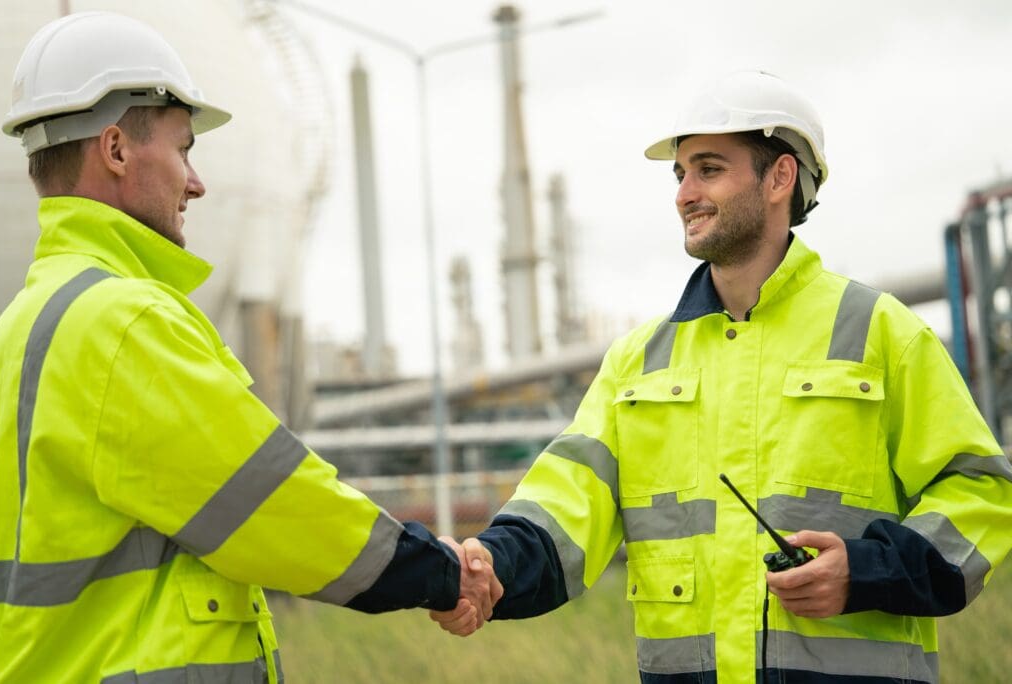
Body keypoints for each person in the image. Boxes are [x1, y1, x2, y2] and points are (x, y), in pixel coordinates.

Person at [430, 70, 1012, 683]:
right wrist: (489, 566)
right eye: (680, 174)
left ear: (779, 178)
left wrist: (867, 571)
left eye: (708, 169)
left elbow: (982, 492)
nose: (685, 194)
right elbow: (568, 501)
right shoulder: (639, 362)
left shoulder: (882, 334)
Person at [0, 11, 498, 682]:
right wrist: (439, 573)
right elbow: (273, 505)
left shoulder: (16, 331)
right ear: (115, 150)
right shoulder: (123, 323)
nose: (196, 182)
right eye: (183, 150)